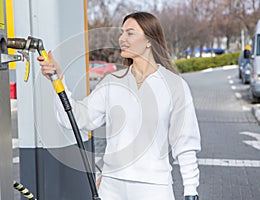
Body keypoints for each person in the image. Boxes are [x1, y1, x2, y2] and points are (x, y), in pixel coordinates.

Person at [38, 11, 201, 200]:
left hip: (154, 188)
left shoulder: (174, 85)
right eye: (121, 33)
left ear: (149, 40)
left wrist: (191, 191)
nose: (122, 38)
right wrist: (58, 80)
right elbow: (75, 119)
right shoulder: (112, 83)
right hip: (111, 187)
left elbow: (185, 143)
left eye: (130, 33)